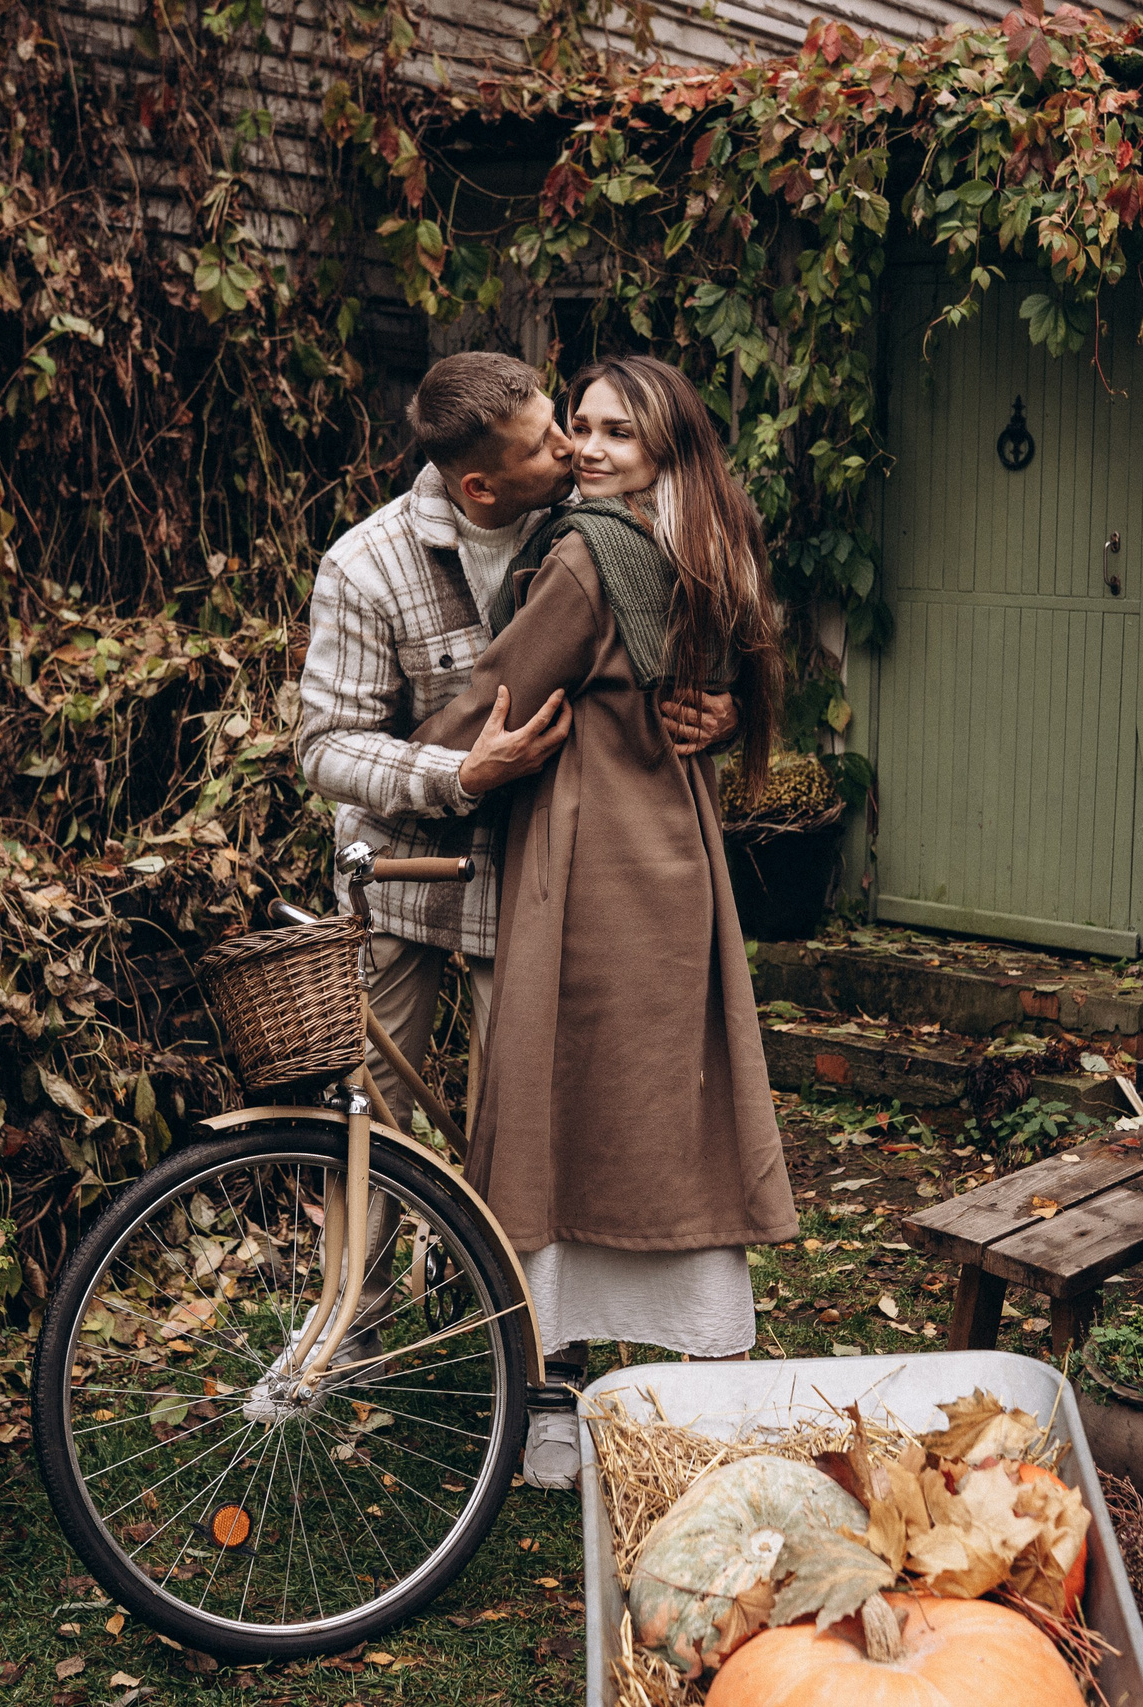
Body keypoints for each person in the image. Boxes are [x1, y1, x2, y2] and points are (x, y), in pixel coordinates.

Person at [414, 354, 799, 1487]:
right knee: (670, 1104)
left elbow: (499, 689)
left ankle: (548, 1407)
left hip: (589, 867)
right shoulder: (700, 543)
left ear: (662, 454)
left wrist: (408, 763)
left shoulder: (588, 555)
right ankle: (699, 1376)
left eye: (615, 433)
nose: (586, 447)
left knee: (549, 1102)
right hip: (674, 855)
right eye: (577, 425)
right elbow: (730, 683)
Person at [295, 352, 734, 1123]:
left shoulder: (593, 523)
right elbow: (324, 745)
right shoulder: (367, 566)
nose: (570, 447)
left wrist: (722, 708)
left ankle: (480, 1249)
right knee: (370, 1112)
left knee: (523, 1118)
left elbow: (687, 631)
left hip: (526, 877)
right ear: (480, 486)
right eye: (542, 446)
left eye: (556, 421)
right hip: (403, 865)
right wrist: (461, 774)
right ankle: (357, 1250)